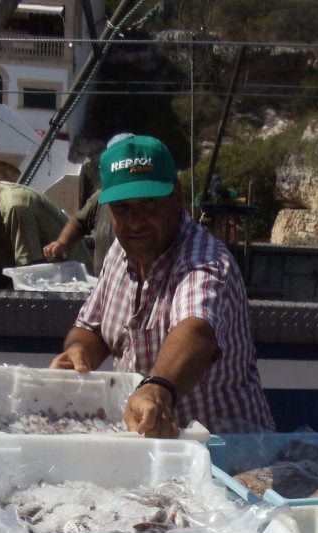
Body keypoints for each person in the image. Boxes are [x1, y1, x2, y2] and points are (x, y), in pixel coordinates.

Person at [49, 134, 274, 437]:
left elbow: (196, 331)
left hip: (224, 451)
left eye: (149, 205)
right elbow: (94, 327)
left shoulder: (205, 261)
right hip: (151, 446)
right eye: (122, 209)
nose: (136, 221)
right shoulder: (119, 252)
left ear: (177, 196)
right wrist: (78, 352)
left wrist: (158, 388)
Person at [43, 133, 133, 274]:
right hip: (104, 284)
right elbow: (78, 223)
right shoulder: (101, 198)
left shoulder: (142, 206)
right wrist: (62, 243)